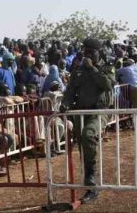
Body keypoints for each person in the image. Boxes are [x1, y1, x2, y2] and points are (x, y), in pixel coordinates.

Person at [60, 38, 115, 203]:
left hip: (99, 112)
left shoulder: (107, 67)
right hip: (80, 113)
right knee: (84, 148)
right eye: (85, 52)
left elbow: (107, 85)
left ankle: (91, 177)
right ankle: (91, 187)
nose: (87, 55)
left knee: (88, 134)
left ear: (98, 52)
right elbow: (70, 91)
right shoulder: (78, 70)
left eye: (90, 52)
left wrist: (92, 69)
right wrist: (65, 103)